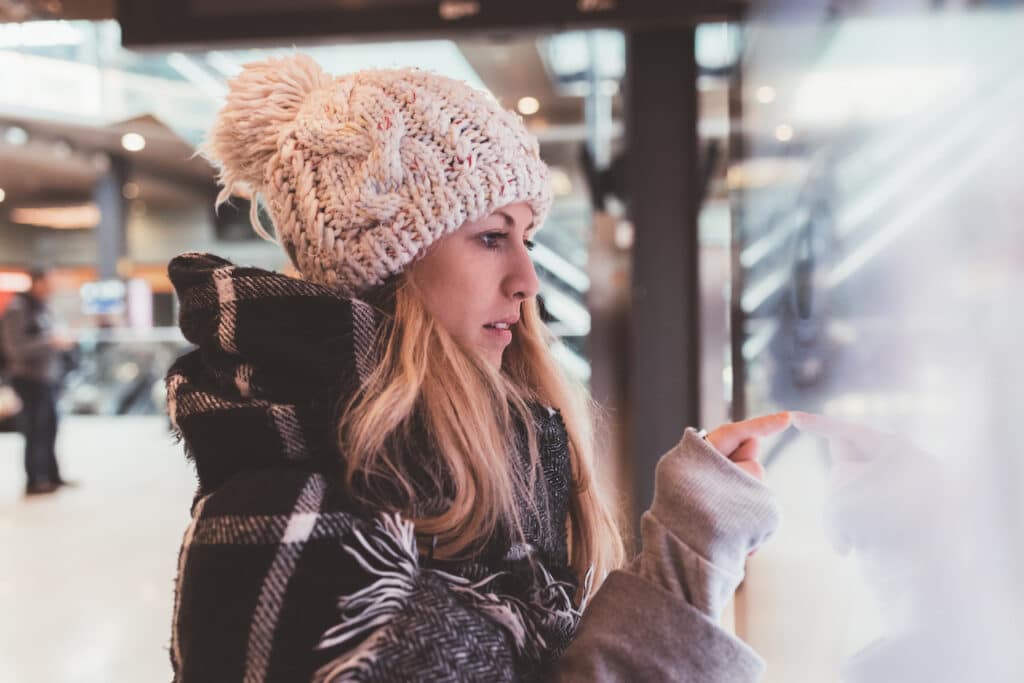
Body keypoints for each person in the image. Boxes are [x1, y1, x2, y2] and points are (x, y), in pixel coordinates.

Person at [167, 53, 790, 682]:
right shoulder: (295, 519)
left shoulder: (478, 464)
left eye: (529, 238)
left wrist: (689, 545)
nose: (527, 280)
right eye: (492, 237)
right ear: (387, 263)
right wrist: (684, 565)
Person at [1, 268, 74, 495]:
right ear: (37, 282)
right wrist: (50, 342)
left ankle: (51, 475)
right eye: (48, 282)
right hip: (27, 378)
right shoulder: (18, 308)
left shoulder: (41, 306)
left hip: (47, 378)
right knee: (34, 429)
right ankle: (34, 480)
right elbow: (15, 348)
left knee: (50, 427)